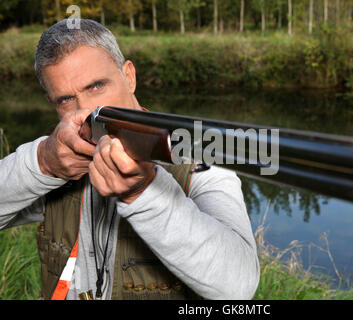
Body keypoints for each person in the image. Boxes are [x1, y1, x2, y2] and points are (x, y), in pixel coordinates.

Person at [0, 19, 259, 300]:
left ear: (129, 76)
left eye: (97, 86)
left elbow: (238, 287)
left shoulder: (199, 159)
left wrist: (144, 192)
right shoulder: (60, 158)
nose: (86, 110)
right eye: (65, 100)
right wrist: (42, 164)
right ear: (51, 102)